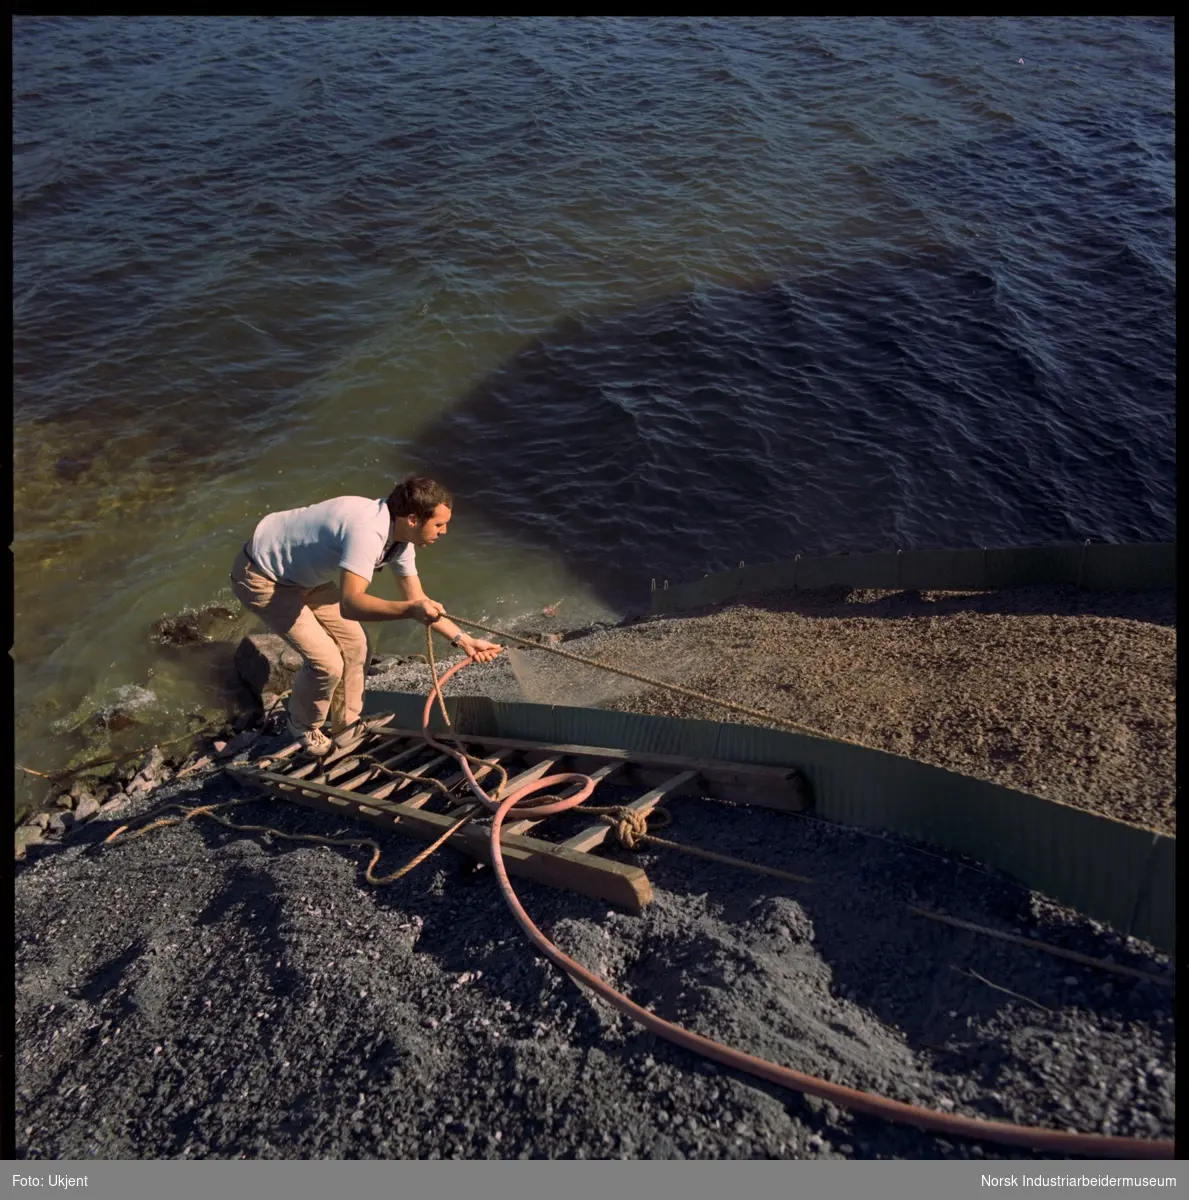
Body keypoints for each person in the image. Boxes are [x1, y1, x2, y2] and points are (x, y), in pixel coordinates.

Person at [230, 476, 502, 756]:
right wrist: (409, 611)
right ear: (412, 519)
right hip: (263, 576)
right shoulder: (367, 532)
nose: (444, 531)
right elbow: (352, 604)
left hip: (303, 576)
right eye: (439, 524)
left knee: (356, 645)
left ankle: (345, 728)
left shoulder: (399, 540)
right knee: (327, 663)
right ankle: (302, 725)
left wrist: (465, 640)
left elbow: (419, 601)